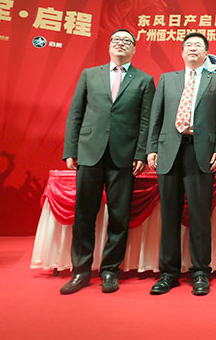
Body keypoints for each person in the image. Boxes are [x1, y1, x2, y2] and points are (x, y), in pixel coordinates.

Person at [61, 29, 155, 294]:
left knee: (119, 217)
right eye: (117, 40)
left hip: (123, 156)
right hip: (89, 152)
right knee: (84, 215)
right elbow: (76, 113)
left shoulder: (144, 80)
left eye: (127, 41)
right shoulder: (90, 75)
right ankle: (80, 271)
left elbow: (146, 121)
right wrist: (71, 150)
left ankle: (110, 271)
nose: (121, 44)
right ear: (109, 46)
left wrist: (140, 154)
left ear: (134, 49)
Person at [147, 32, 216, 296]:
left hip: (200, 152)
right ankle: (168, 273)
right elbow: (156, 116)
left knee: (199, 216)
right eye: (189, 46)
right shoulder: (167, 79)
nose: (193, 49)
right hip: (169, 150)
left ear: (206, 54)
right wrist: (151, 148)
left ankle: (201, 273)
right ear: (182, 53)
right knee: (169, 214)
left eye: (198, 46)